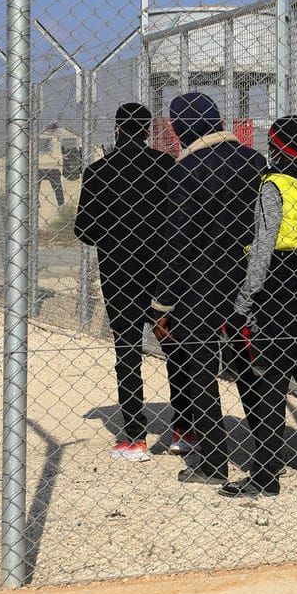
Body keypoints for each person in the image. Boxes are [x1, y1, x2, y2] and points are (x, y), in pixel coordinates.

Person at [151, 92, 268, 484]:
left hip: (200, 280)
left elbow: (177, 239)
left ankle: (213, 461)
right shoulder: (255, 162)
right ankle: (267, 456)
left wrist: (163, 303)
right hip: (251, 275)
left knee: (198, 367)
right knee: (251, 364)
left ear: (181, 127)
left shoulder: (186, 170)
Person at [218, 117, 297, 499]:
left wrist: (243, 300)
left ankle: (265, 474)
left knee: (269, 383)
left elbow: (263, 245)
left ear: (276, 143)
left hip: (276, 288)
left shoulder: (274, 184)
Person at [74, 102, 177, 462]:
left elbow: (83, 229)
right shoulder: (167, 167)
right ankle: (184, 428)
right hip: (163, 272)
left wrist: (117, 233)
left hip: (119, 273)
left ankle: (134, 437)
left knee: (128, 351)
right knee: (176, 349)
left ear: (118, 130)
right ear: (148, 130)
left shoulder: (99, 172)